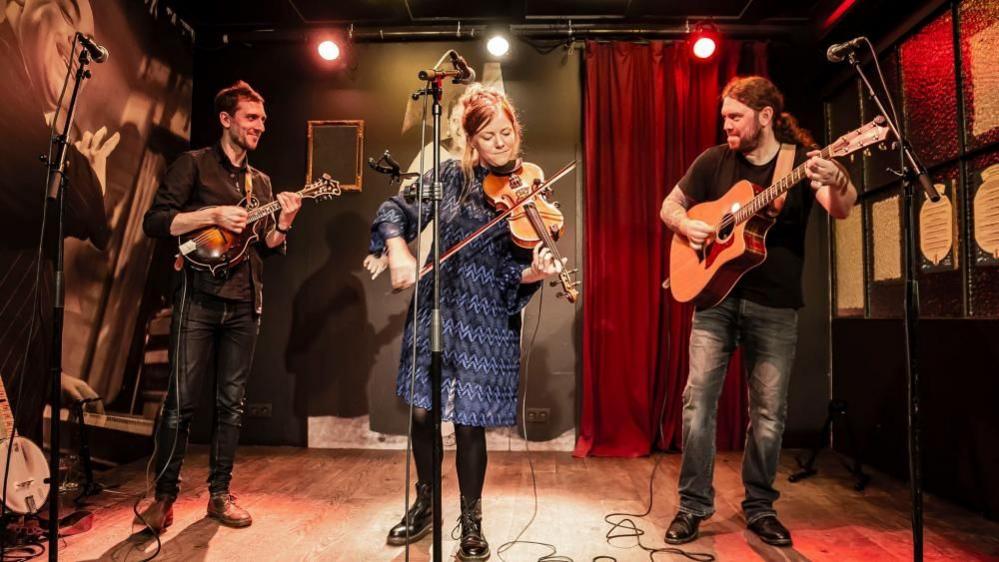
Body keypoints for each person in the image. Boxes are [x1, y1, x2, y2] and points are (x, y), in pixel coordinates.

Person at [364, 84, 564, 561]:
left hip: (487, 319)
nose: (501, 143)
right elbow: (395, 209)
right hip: (437, 307)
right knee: (423, 413)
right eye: (490, 136)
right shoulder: (450, 177)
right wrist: (397, 249)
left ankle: (471, 522)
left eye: (507, 133)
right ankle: (427, 502)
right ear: (471, 141)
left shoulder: (529, 188)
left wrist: (535, 272)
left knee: (470, 424)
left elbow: (514, 270)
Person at [658, 75, 857, 547]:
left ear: (765, 117)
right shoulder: (713, 161)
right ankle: (692, 506)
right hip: (714, 302)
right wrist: (688, 224)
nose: (725, 124)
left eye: (735, 117)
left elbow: (842, 207)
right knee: (697, 405)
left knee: (768, 414)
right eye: (724, 116)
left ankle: (760, 507)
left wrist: (838, 177)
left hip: (775, 304)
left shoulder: (799, 164)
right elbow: (670, 204)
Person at [139, 81, 302, 532]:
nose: (260, 127)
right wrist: (211, 215)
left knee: (232, 405)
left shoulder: (262, 182)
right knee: (180, 405)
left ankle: (219, 494)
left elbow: (266, 246)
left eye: (263, 120)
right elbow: (155, 222)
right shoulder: (192, 166)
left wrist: (284, 223)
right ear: (226, 119)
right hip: (197, 299)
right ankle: (164, 498)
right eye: (252, 118)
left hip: (244, 303)